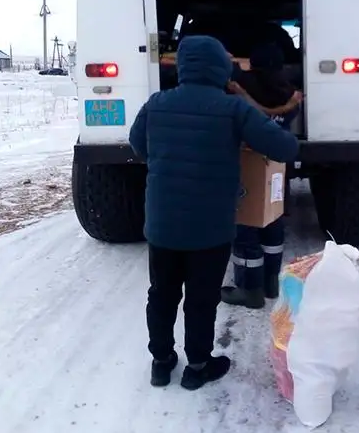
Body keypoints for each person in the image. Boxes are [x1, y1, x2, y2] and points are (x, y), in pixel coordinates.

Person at [129, 35, 299, 391]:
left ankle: (161, 363)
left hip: (162, 224)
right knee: (201, 298)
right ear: (220, 68)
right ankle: (198, 367)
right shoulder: (232, 108)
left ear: (185, 66)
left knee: (161, 293)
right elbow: (284, 147)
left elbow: (137, 144)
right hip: (210, 228)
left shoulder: (156, 103)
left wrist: (165, 160)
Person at [221, 43, 303, 309]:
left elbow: (230, 73)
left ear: (254, 64)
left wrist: (231, 64)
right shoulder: (291, 93)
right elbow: (275, 116)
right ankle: (270, 282)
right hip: (277, 166)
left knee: (245, 228)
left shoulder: (242, 85)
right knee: (272, 220)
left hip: (248, 165)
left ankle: (249, 289)